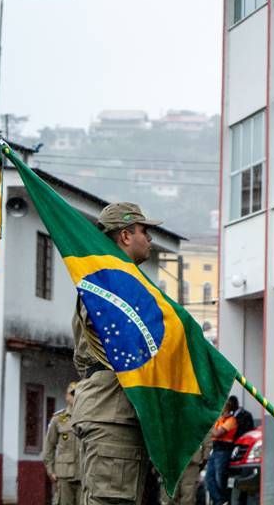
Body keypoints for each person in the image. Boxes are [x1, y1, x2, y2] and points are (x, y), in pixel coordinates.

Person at [72, 202, 162, 505]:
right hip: (112, 411)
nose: (149, 238)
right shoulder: (111, 286)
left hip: (111, 409)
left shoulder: (112, 282)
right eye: (144, 231)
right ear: (125, 236)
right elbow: (129, 344)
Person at [44, 381, 80, 505]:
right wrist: (50, 469)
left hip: (85, 474)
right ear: (67, 396)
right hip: (65, 474)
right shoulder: (58, 419)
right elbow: (49, 445)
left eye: (79, 394)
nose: (76, 397)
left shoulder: (89, 419)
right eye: (73, 394)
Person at [160, 434, 211, 505]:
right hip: (188, 459)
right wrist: (205, 456)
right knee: (186, 496)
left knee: (173, 495)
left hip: (179, 459)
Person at [205, 400, 239, 505]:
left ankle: (222, 501)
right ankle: (220, 501)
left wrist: (208, 425)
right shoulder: (220, 420)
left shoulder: (231, 420)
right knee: (209, 478)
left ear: (226, 408)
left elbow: (217, 433)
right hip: (215, 451)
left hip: (223, 452)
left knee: (219, 479)